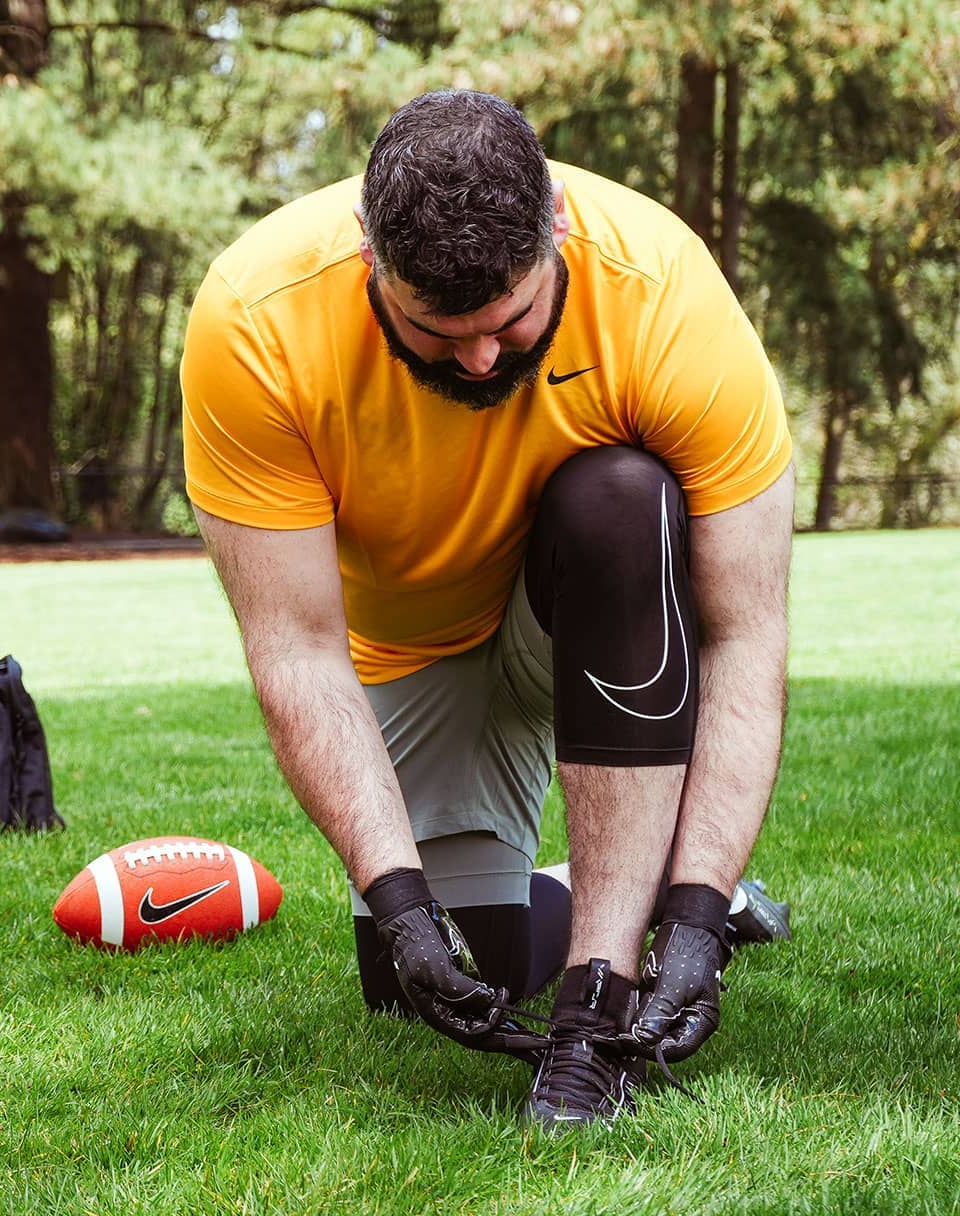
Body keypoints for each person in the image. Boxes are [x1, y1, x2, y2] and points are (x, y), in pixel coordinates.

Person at [179, 89, 795, 1132]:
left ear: (557, 226)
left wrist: (684, 924)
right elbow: (297, 650)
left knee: (619, 497)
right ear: (370, 261)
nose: (478, 359)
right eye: (436, 331)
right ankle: (631, 896)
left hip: (592, 621)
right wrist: (403, 906)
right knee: (441, 978)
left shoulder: (661, 288)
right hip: (411, 648)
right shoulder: (255, 316)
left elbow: (743, 634)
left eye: (511, 322)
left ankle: (607, 986)